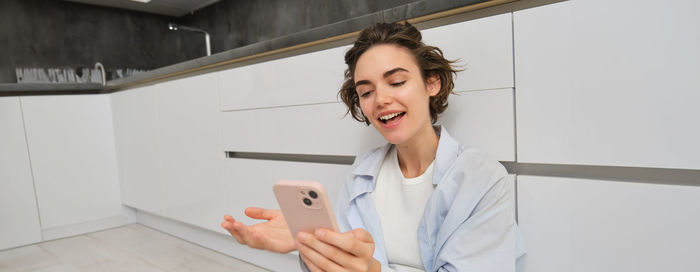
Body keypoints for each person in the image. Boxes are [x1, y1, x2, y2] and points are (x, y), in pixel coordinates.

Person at [221, 21, 525, 271]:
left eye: (396, 82)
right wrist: (310, 245)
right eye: (366, 92)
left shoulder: (482, 180)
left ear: (432, 83)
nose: (380, 100)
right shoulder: (363, 174)